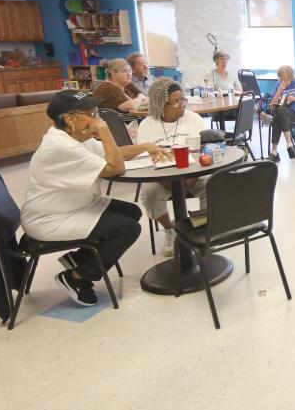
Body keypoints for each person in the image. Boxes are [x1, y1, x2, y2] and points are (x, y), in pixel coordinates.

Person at [20, 90, 169, 306]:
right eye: (91, 114)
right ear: (70, 119)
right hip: (51, 218)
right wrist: (104, 128)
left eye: (96, 112)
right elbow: (115, 168)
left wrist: (145, 147)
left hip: (74, 206)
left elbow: (113, 153)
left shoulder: (73, 135)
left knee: (132, 212)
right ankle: (77, 277)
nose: (96, 118)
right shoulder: (62, 146)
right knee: (128, 228)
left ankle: (80, 259)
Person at [136, 78, 209, 256]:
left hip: (195, 173)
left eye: (183, 100)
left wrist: (192, 177)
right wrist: (168, 182)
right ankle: (170, 229)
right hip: (161, 177)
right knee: (149, 194)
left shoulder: (193, 119)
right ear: (161, 104)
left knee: (213, 184)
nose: (182, 105)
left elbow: (206, 149)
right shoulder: (147, 125)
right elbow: (145, 160)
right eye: (176, 101)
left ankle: (202, 228)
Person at [267, 65, 295, 162]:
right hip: (283, 114)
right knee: (279, 113)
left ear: (291, 77)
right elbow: (271, 106)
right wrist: (280, 90)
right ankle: (288, 146)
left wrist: (294, 98)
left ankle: (274, 152)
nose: (284, 81)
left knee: (278, 115)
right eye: (282, 79)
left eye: (286, 79)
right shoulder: (278, 85)